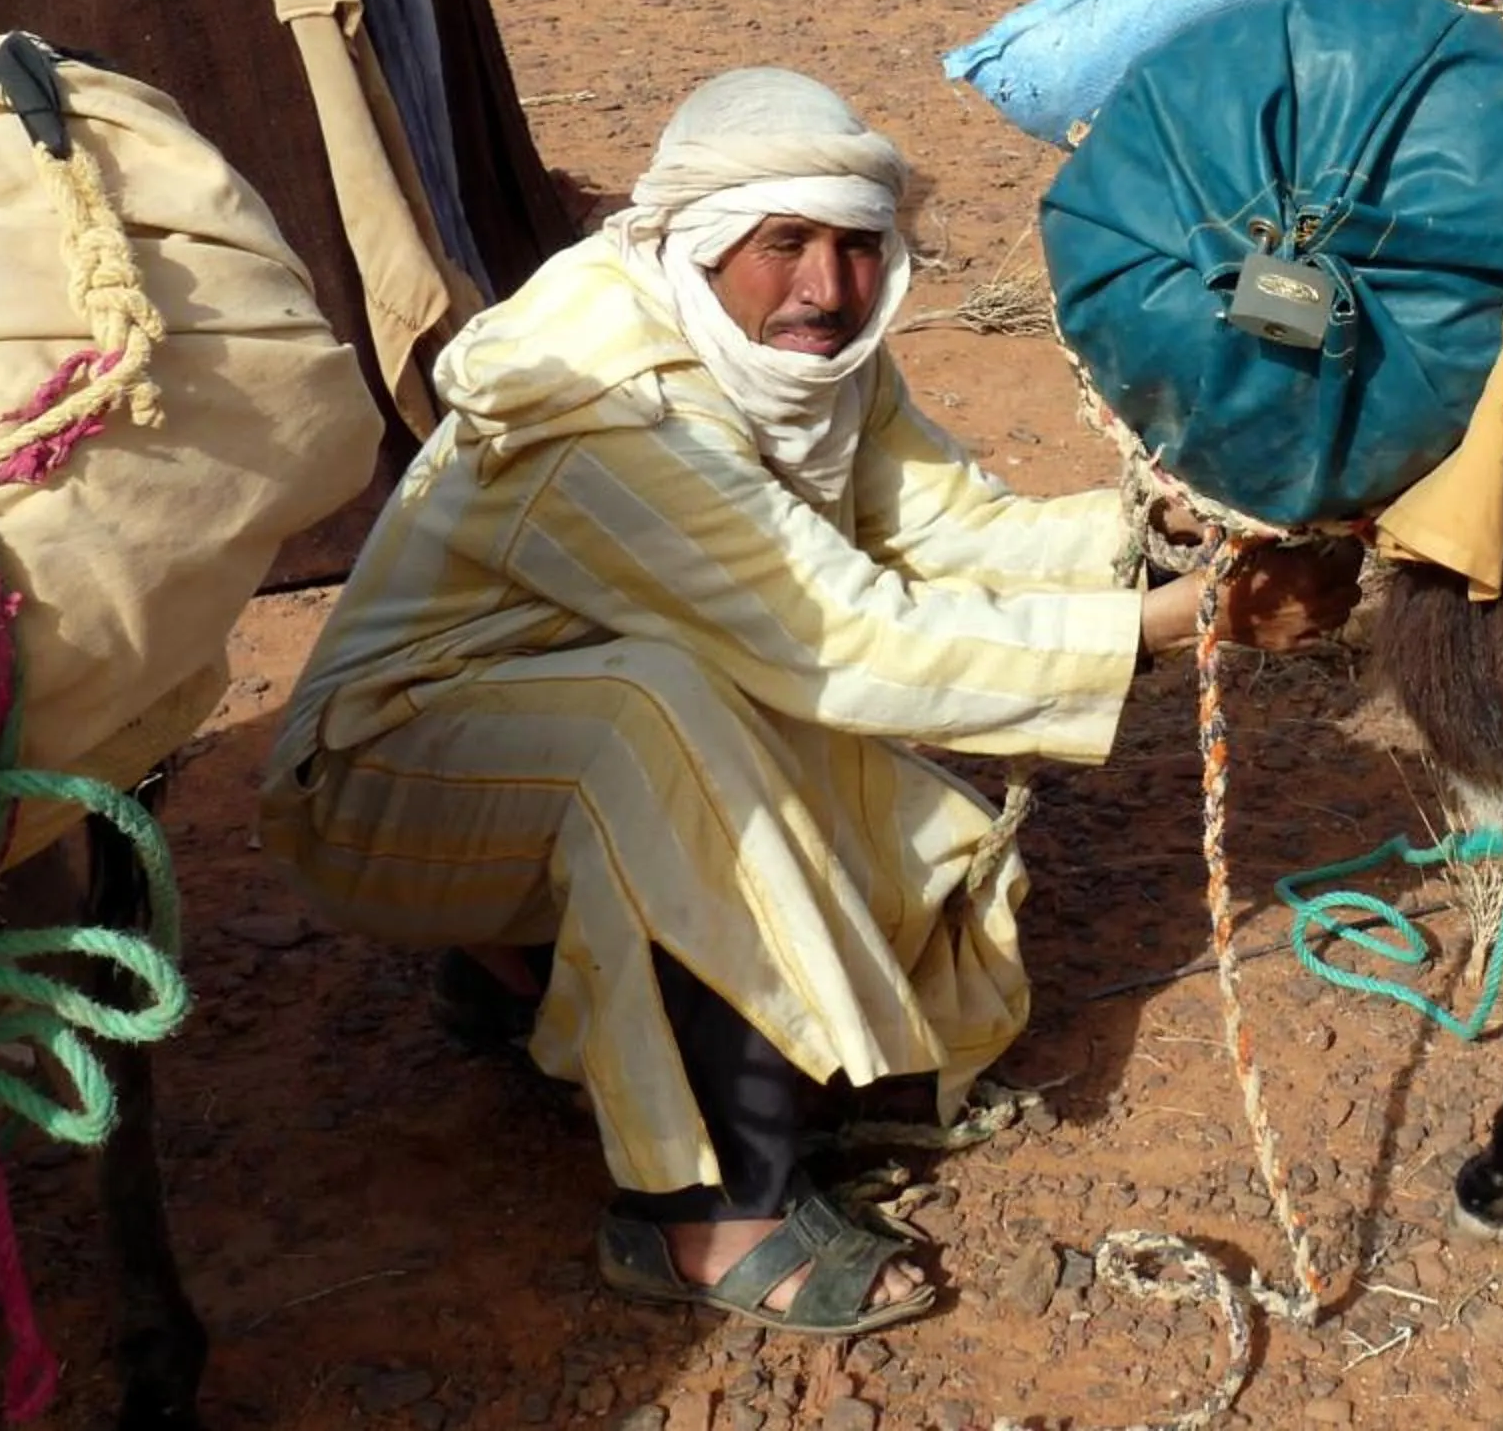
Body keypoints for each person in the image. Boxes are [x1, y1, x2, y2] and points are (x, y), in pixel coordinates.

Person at [259, 68, 1360, 1335]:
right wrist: (1172, 626)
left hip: (535, 738)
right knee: (657, 718)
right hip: (381, 790)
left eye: (856, 246)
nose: (829, 290)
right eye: (785, 244)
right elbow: (843, 638)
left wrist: (1156, 535)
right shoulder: (606, 404)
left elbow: (947, 529)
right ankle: (705, 1211)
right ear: (702, 241)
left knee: (704, 725)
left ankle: (518, 972)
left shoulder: (814, 368)